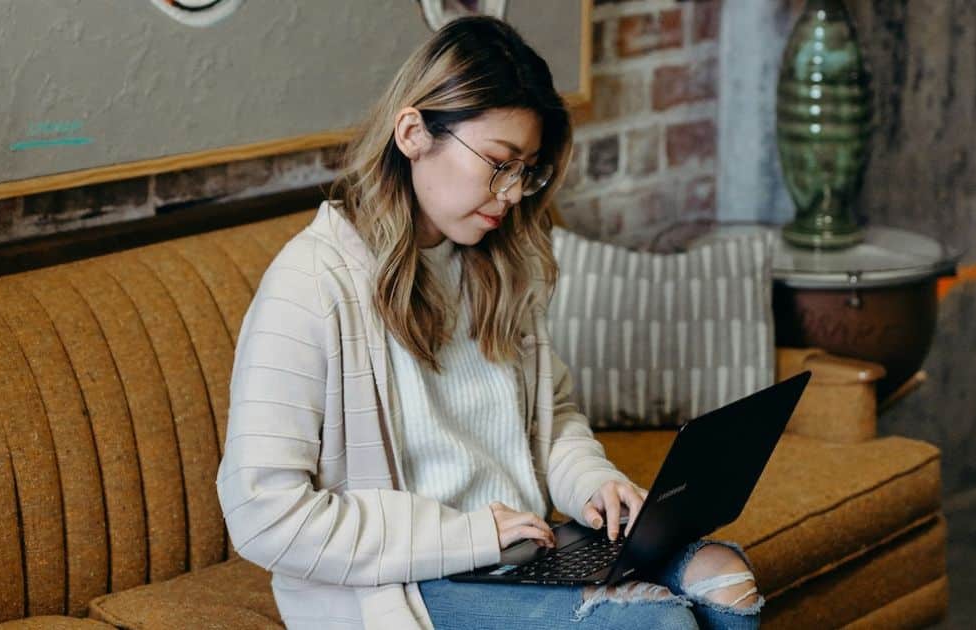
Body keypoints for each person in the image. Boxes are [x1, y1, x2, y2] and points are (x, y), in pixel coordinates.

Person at [216, 16, 763, 630]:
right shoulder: (313, 285)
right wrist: (469, 535)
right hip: (408, 581)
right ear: (414, 132)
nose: (511, 195)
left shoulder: (500, 262)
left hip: (526, 550)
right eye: (498, 163)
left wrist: (592, 481)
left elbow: (549, 418)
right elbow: (263, 515)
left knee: (724, 583)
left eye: (526, 171)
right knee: (658, 624)